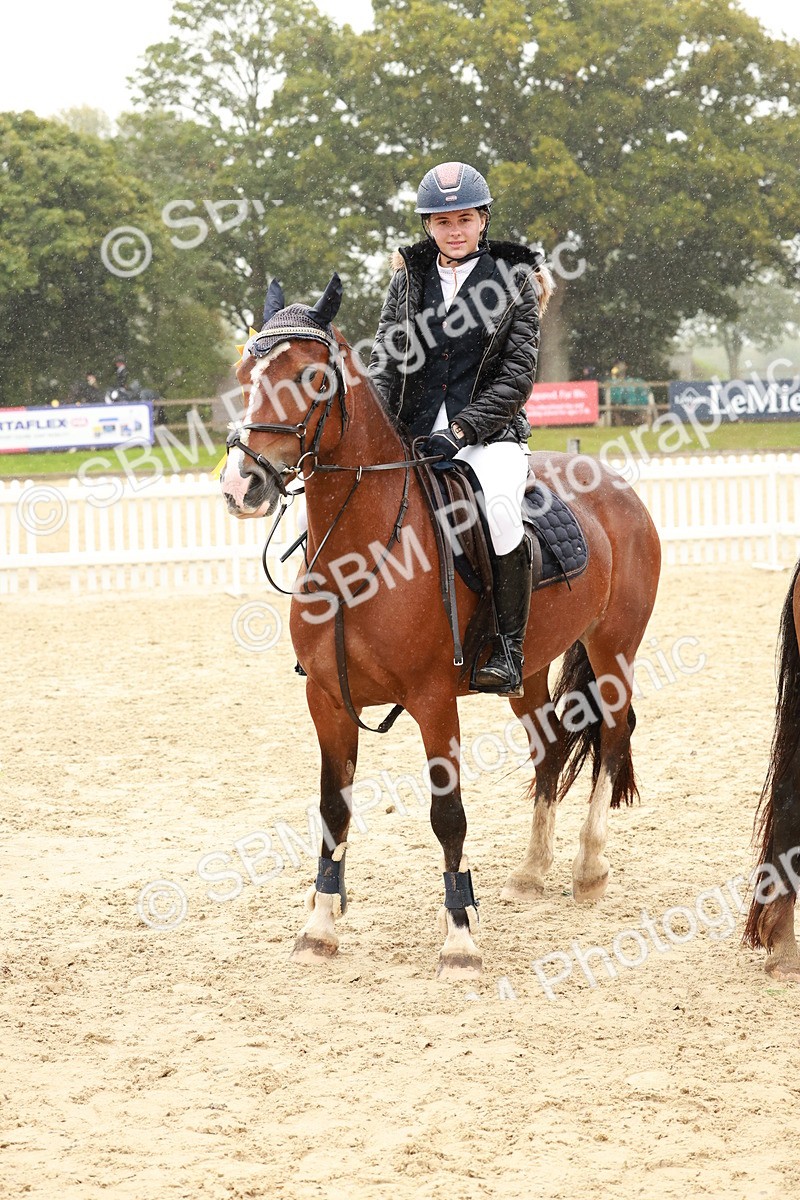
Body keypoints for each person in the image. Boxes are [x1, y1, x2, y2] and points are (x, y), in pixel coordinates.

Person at [369, 161, 553, 694]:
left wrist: (465, 430)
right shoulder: (409, 279)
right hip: (416, 435)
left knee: (498, 513)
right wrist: (380, 427)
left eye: (465, 219)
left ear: (483, 220)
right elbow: (385, 358)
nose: (455, 231)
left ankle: (508, 648)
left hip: (490, 438)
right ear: (428, 226)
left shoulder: (514, 280)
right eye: (443, 221)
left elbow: (517, 377)